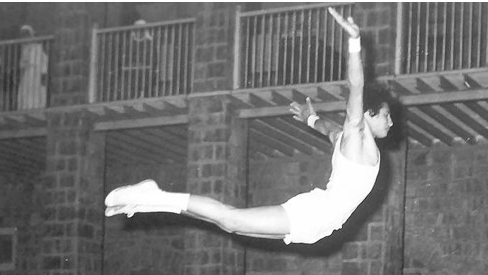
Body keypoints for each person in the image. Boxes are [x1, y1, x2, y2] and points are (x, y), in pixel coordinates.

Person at [105, 9, 393, 247]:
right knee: (230, 219)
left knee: (229, 225)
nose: (391, 122)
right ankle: (152, 195)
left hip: (322, 222)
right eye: (386, 115)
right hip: (317, 214)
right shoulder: (356, 132)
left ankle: (148, 200)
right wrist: (354, 42)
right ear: (368, 114)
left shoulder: (348, 139)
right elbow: (356, 85)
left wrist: (310, 119)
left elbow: (329, 130)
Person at [17, 24, 48, 109]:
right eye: (23, 35)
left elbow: (43, 61)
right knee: (26, 93)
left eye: (27, 34)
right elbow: (22, 65)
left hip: (36, 74)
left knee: (36, 94)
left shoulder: (38, 47)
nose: (25, 37)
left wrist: (43, 74)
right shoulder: (24, 49)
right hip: (27, 75)